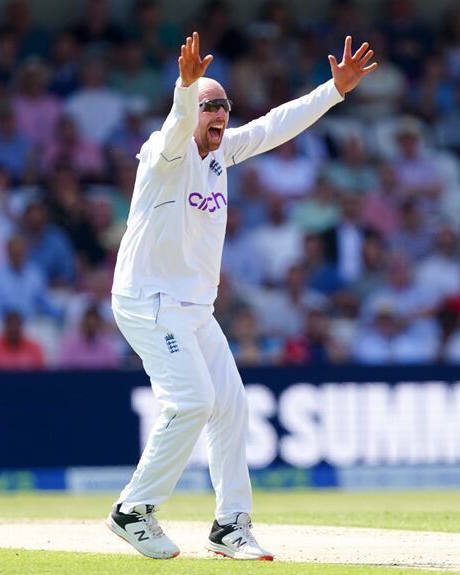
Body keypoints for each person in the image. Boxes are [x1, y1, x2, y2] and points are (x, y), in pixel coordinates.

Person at [107, 32, 376, 560]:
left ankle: (230, 525)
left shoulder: (220, 153)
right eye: (212, 105)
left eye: (225, 106)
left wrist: (334, 91)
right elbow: (179, 124)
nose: (220, 114)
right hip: (148, 300)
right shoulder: (164, 153)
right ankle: (133, 510)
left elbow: (274, 126)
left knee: (230, 407)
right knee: (193, 402)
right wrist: (187, 90)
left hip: (194, 310)